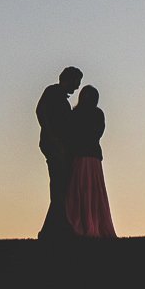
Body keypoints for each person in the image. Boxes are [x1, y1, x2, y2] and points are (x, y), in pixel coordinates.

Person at [64, 85, 117, 238]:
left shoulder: (76, 114)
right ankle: (93, 222)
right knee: (92, 190)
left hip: (81, 156)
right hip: (92, 156)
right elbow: (98, 133)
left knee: (81, 190)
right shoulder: (97, 114)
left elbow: (71, 134)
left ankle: (82, 223)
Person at [36, 66, 82, 239]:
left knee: (60, 188)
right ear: (68, 79)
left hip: (59, 146)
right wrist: (53, 137)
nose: (77, 87)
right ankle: (52, 230)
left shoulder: (61, 98)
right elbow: (40, 112)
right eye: (76, 82)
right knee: (59, 187)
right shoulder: (53, 92)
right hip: (54, 146)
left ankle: (56, 229)